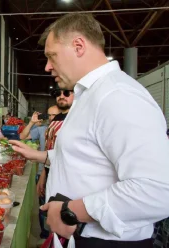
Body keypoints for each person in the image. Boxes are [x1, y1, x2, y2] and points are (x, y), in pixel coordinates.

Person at [10, 13, 169, 247]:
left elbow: (158, 190)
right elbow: (86, 156)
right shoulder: (89, 96)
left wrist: (71, 211)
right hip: (80, 236)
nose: (47, 66)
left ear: (78, 46)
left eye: (51, 56)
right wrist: (40, 155)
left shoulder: (117, 96)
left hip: (104, 241)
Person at [19, 105, 60, 239]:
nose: (51, 118)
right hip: (43, 172)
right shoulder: (43, 130)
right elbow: (22, 136)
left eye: (54, 115)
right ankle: (45, 234)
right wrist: (31, 122)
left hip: (59, 174)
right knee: (43, 205)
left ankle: (57, 235)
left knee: (57, 205)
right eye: (49, 115)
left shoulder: (66, 130)